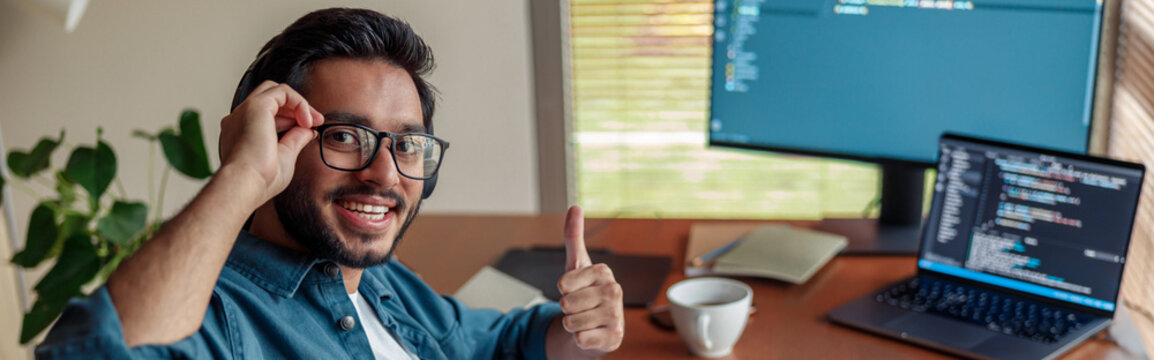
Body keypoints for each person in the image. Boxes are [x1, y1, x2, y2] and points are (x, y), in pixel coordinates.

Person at [34, 8, 623, 360]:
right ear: (273, 136)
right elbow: (90, 352)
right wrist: (242, 175)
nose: (385, 174)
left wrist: (575, 331)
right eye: (346, 136)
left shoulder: (379, 283)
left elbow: (491, 342)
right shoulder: (222, 314)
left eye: (407, 144)